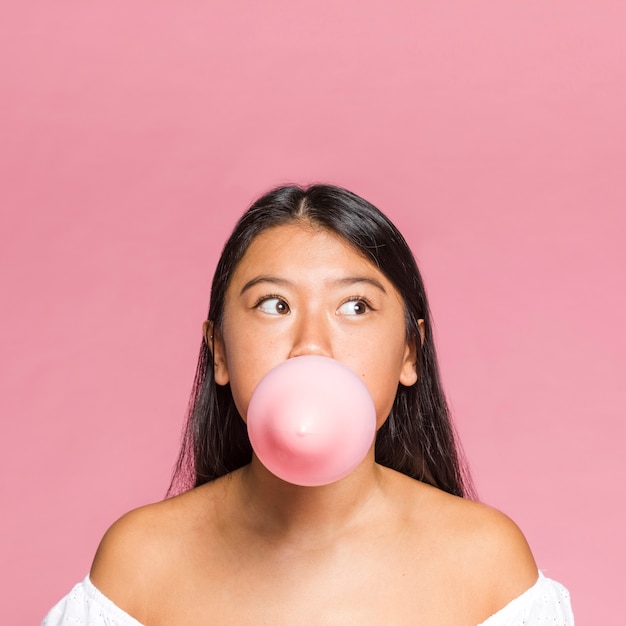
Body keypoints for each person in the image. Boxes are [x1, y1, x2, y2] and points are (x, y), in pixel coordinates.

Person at [43, 184, 574, 625]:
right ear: (220, 351)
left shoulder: (488, 566)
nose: (311, 344)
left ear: (409, 352)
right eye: (275, 305)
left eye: (355, 305)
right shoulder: (138, 566)